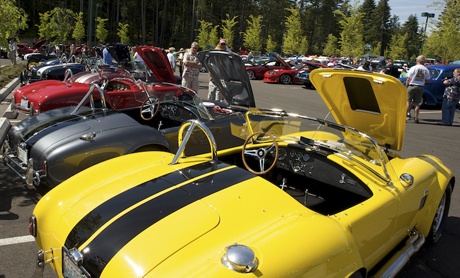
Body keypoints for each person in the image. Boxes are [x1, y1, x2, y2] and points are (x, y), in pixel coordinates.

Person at [405, 55, 431, 123]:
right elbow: (428, 80)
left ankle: (405, 116)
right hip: (420, 87)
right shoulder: (426, 69)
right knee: (417, 103)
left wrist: (406, 86)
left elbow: (408, 79)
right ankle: (416, 118)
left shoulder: (413, 68)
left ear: (417, 60)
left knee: (408, 101)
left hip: (412, 85)